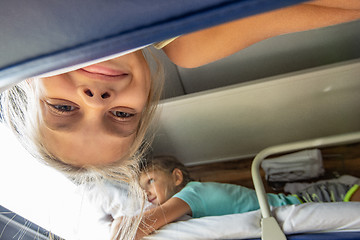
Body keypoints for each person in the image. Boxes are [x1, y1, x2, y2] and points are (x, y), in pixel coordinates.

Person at [0, 1, 359, 239]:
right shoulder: (188, 43)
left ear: (27, 82)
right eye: (121, 116)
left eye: (63, 109)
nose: (96, 100)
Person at [136, 156, 360, 239]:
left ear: (177, 177)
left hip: (310, 199)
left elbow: (142, 226)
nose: (146, 192)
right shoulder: (189, 206)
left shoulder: (192, 193)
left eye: (151, 181)